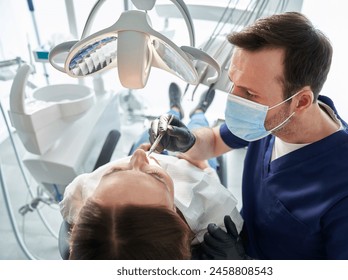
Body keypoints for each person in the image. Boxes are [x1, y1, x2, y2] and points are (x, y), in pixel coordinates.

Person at [149, 12, 348, 260]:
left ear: (301, 101)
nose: (234, 99)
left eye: (250, 94)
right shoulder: (267, 119)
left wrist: (245, 267)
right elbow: (213, 142)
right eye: (233, 83)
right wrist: (189, 141)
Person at [59, 84, 243, 260]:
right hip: (192, 167)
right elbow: (209, 182)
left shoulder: (81, 193)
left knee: (164, 125)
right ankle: (199, 111)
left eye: (114, 170)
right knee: (197, 125)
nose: (139, 155)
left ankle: (174, 107)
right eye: (155, 175)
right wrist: (200, 164)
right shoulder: (213, 215)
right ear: (174, 211)